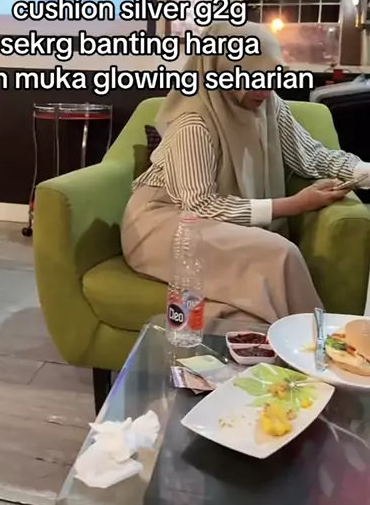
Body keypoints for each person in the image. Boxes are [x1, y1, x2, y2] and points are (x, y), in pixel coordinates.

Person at [121, 21, 370, 324]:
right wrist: (294, 205)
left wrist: (364, 172)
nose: (265, 90)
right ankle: (313, 346)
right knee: (280, 254)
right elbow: (200, 204)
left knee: (258, 294)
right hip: (165, 223)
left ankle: (283, 345)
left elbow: (312, 156)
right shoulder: (193, 122)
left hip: (208, 221)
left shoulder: (269, 105)